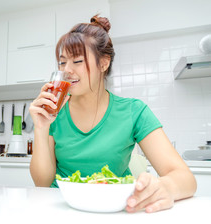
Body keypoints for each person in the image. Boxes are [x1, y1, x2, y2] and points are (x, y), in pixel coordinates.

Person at [29, 14, 196, 213]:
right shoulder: (54, 113)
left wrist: (165, 187)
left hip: (114, 209)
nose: (67, 70)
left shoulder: (134, 111)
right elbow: (42, 183)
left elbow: (185, 179)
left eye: (78, 61)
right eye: (62, 62)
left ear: (104, 63)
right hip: (63, 208)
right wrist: (41, 127)